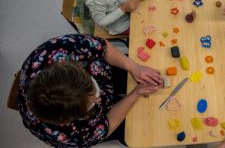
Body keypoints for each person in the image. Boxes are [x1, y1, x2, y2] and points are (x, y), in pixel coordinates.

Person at [17, 34, 163, 147]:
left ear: (76, 67)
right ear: (70, 119)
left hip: (101, 72)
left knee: (142, 70)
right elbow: (109, 124)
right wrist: (134, 94)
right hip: (99, 121)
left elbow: (103, 47)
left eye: (92, 86)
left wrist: (134, 67)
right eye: (92, 103)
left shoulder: (56, 50)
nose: (98, 98)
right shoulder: (71, 133)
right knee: (140, 128)